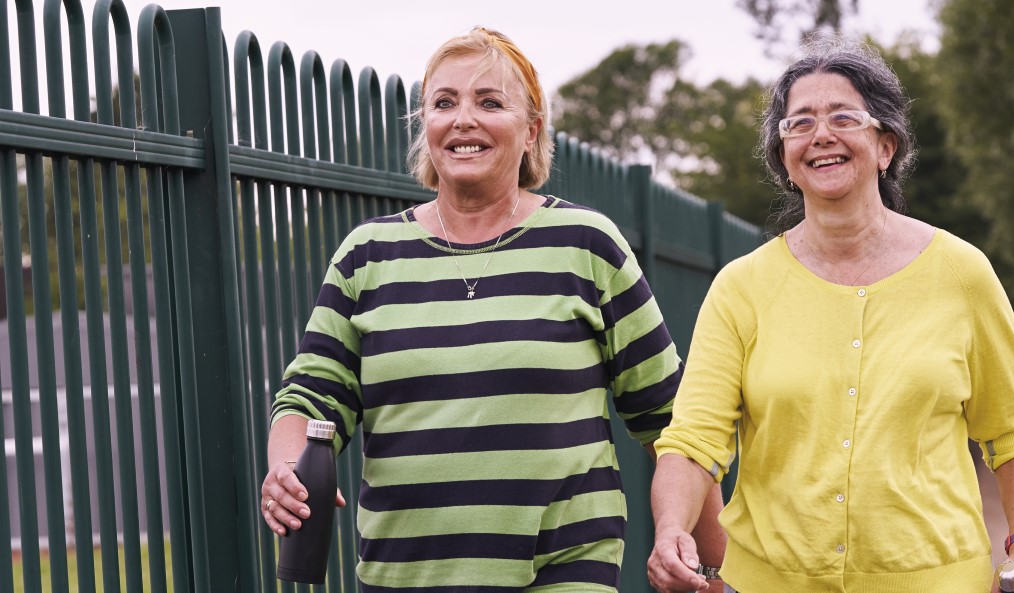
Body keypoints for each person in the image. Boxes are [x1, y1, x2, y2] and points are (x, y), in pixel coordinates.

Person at [258, 27, 725, 592]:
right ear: (424, 127)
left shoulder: (586, 244)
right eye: (444, 103)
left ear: (531, 132)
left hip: (563, 571)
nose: (463, 120)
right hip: (403, 574)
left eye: (489, 102)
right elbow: (312, 396)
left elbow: (669, 422)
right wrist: (285, 465)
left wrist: (718, 566)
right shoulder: (366, 256)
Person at [647, 35, 1014, 593]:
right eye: (800, 123)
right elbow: (693, 441)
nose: (821, 135)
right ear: (785, 158)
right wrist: (672, 528)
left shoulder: (963, 273)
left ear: (885, 147)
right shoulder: (741, 288)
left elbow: (1013, 431)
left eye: (844, 117)